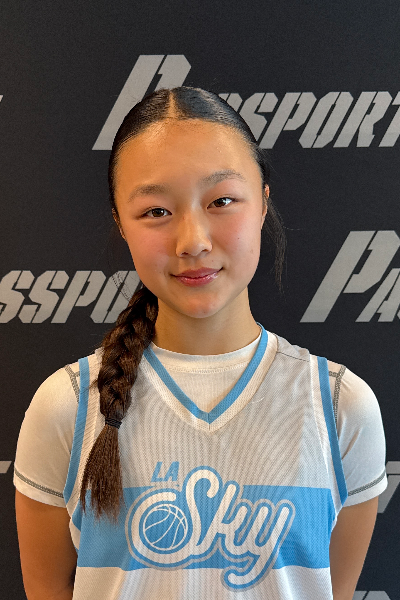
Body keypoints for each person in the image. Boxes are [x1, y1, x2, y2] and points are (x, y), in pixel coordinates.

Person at [14, 86, 387, 600]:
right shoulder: (67, 406)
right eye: (156, 211)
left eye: (222, 201)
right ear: (120, 222)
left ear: (263, 203)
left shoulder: (341, 408)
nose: (193, 241)